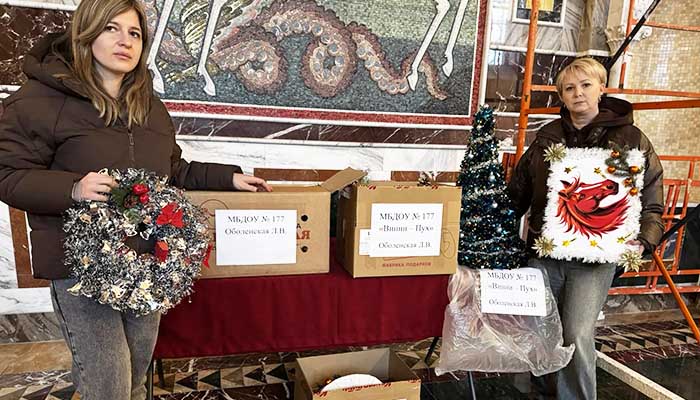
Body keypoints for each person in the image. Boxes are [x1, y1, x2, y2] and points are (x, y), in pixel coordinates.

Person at [0, 0, 271, 398]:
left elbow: (171, 170)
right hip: (80, 267)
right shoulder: (37, 101)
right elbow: (8, 175)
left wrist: (228, 177)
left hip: (146, 261)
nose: (125, 41)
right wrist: (73, 188)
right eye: (111, 29)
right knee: (109, 385)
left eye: (135, 33)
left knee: (136, 378)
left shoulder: (150, 107)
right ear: (86, 33)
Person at [507, 57, 664, 399]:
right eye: (569, 88)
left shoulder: (631, 139)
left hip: (594, 260)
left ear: (601, 89)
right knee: (541, 331)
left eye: (586, 85)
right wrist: (496, 231)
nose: (578, 93)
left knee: (577, 333)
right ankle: (541, 394)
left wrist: (644, 240)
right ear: (562, 96)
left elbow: (652, 199)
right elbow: (518, 189)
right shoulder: (547, 137)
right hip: (545, 254)